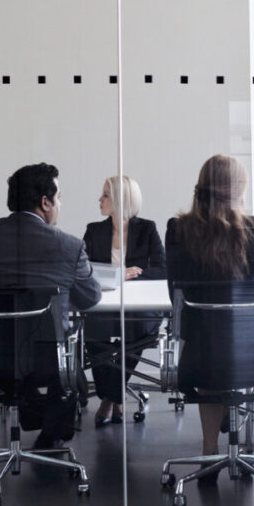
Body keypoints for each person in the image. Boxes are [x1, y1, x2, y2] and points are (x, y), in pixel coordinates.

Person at [0, 163, 101, 449]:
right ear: (45, 202)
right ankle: (50, 436)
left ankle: (39, 423)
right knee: (60, 349)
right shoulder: (68, 246)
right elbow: (90, 297)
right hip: (46, 364)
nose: (59, 204)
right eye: (59, 197)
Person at [163, 155, 254, 458]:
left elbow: (175, 295)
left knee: (212, 358)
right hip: (249, 355)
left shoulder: (178, 230)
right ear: (239, 189)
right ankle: (241, 437)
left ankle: (209, 445)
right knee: (236, 352)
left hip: (197, 356)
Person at [82, 175, 166, 426]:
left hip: (137, 305)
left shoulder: (147, 229)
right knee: (93, 331)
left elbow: (163, 269)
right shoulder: (94, 230)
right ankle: (115, 396)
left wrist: (134, 274)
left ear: (121, 200)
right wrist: (118, 274)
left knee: (135, 328)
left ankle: (109, 399)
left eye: (105, 195)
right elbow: (83, 269)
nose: (100, 199)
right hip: (104, 303)